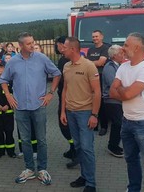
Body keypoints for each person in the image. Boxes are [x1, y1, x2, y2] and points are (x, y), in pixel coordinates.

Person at [0, 32, 61, 186]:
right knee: (25, 140)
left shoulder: (42, 58)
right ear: (20, 46)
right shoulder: (13, 62)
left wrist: (50, 93)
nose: (32, 45)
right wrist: (8, 95)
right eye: (28, 43)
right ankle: (29, 169)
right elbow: (4, 80)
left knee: (41, 140)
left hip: (38, 106)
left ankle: (42, 169)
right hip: (20, 107)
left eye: (33, 42)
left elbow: (57, 74)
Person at [109, 32, 144, 192]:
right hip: (127, 122)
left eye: (126, 44)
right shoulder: (123, 67)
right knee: (131, 160)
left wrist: (123, 91)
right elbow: (112, 92)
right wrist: (125, 92)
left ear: (137, 47)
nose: (122, 48)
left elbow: (128, 94)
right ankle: (133, 188)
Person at [60, 36, 100, 192]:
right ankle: (84, 176)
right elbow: (65, 90)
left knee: (87, 148)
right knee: (78, 146)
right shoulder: (66, 67)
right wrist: (63, 111)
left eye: (64, 47)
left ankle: (91, 183)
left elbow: (97, 92)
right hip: (70, 113)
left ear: (73, 49)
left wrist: (94, 115)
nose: (62, 49)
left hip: (85, 113)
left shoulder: (89, 66)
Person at [55, 36, 77, 168]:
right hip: (64, 96)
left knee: (66, 125)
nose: (57, 48)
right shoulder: (63, 59)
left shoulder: (65, 60)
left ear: (63, 45)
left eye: (58, 45)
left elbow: (64, 79)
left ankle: (76, 151)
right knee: (65, 125)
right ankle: (72, 147)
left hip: (68, 98)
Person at [101, 45, 125, 158]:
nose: (123, 55)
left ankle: (114, 145)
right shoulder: (109, 67)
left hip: (117, 100)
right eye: (121, 53)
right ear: (114, 55)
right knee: (117, 123)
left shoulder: (119, 65)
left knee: (118, 124)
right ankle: (112, 146)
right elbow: (113, 85)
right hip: (111, 100)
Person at [0, 59, 16, 159]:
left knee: (9, 132)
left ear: (5, 68)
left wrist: (7, 106)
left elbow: (13, 95)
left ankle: (11, 151)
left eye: (1, 67)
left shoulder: (10, 82)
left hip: (8, 111)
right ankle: (0, 151)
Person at [86, 29, 109, 136]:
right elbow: (88, 64)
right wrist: (92, 63)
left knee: (102, 102)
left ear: (102, 37)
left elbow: (101, 62)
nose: (95, 38)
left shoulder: (105, 48)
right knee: (92, 101)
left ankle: (104, 126)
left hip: (101, 77)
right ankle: (95, 124)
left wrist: (90, 63)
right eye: (93, 37)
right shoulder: (90, 50)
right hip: (91, 77)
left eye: (96, 36)